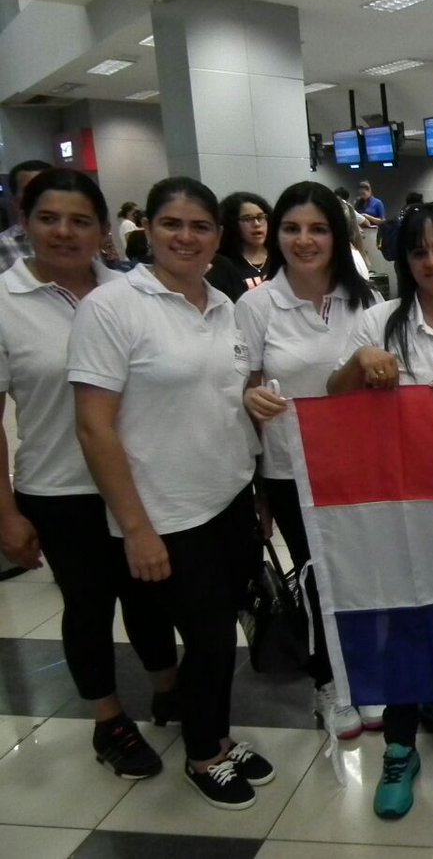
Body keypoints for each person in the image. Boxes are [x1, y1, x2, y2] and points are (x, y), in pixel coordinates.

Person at [69, 176, 275, 811]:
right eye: (172, 225)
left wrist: (257, 486)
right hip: (167, 513)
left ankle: (216, 731)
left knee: (224, 635)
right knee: (210, 639)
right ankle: (204, 753)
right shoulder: (113, 307)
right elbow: (93, 425)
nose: (187, 237)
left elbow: (224, 396)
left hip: (229, 497)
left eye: (201, 226)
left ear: (218, 236)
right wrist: (135, 528)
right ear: (147, 231)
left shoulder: (224, 303)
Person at [0, 168, 178, 780]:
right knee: (88, 605)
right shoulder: (4, 302)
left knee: (151, 596)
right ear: (26, 223)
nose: (65, 232)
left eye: (81, 220)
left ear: (103, 229)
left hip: (138, 479)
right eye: (49, 218)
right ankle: (108, 720)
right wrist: (5, 513)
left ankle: (167, 686)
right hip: (59, 488)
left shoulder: (132, 289)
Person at [327, 202, 433, 820]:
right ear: (404, 261)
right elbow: (333, 404)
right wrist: (358, 364)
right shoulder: (377, 321)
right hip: (396, 507)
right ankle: (400, 744)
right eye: (419, 251)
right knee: (404, 618)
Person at [235, 181, 380, 742]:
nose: (304, 240)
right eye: (292, 228)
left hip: (358, 469)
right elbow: (239, 387)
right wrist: (250, 399)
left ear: (338, 236)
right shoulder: (256, 305)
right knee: (317, 578)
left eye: (318, 228)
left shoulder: (363, 298)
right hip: (290, 470)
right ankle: (329, 682)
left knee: (361, 576)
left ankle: (365, 674)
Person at [206, 191, 272, 301]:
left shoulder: (281, 255)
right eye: (247, 219)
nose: (256, 224)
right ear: (232, 224)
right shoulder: (223, 265)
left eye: (260, 217)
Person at [0, 159, 54, 272]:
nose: (43, 196)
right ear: (14, 200)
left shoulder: (85, 238)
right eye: (31, 190)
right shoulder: (3, 246)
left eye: (49, 189)